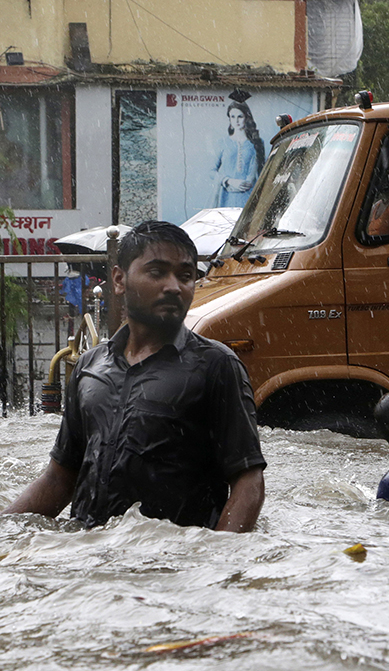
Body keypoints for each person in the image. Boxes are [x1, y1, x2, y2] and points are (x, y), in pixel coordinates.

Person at [2, 221, 266, 531]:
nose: (174, 286)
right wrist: (7, 531)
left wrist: (220, 558)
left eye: (185, 275)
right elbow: (59, 478)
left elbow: (248, 481)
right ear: (118, 279)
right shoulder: (89, 367)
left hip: (172, 565)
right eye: (157, 273)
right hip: (90, 558)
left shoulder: (217, 366)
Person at [210, 93, 265, 209]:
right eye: (232, 117)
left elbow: (262, 173)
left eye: (240, 116)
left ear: (246, 117)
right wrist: (228, 181)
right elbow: (211, 171)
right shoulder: (223, 143)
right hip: (227, 197)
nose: (236, 121)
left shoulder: (255, 143)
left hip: (248, 197)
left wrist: (249, 182)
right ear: (229, 118)